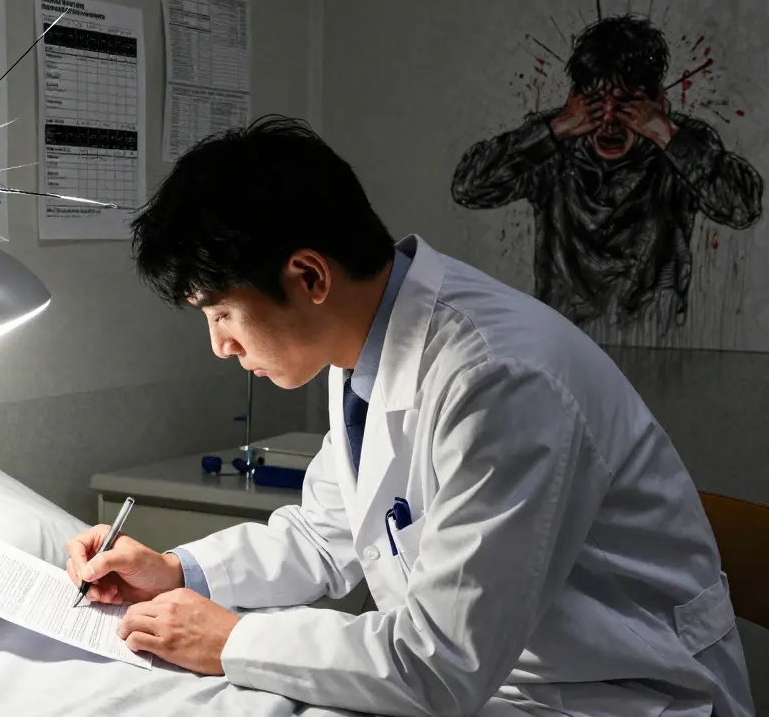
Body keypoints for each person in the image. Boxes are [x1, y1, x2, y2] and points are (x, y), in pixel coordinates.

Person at [65, 115, 755, 716]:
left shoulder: (497, 378)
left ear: (308, 277)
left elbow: (443, 662)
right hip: (504, 679)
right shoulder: (365, 347)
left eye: (221, 314)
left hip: (618, 692)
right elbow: (326, 531)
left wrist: (231, 640)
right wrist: (178, 571)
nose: (220, 345)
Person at [451, 15, 762, 332]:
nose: (610, 119)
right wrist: (556, 129)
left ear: (657, 101)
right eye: (596, 102)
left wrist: (667, 134)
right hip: (563, 340)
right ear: (576, 99)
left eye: (627, 103)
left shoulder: (683, 143)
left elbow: (743, 207)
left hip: (655, 339)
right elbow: (469, 187)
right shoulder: (550, 144)